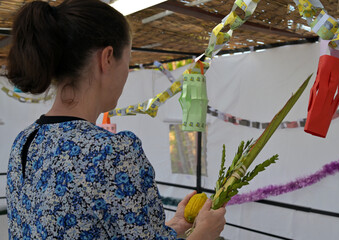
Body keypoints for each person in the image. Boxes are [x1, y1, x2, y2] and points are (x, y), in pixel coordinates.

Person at [5, 0, 226, 239]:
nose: (127, 73)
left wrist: (176, 225)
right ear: (107, 58)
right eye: (127, 61)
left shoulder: (24, 141)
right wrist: (204, 232)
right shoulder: (113, 152)